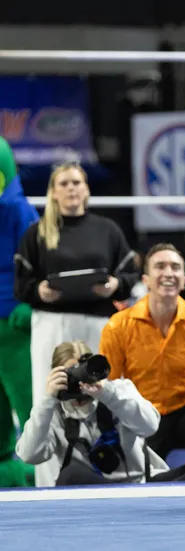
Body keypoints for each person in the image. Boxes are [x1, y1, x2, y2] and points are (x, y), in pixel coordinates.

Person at [14, 161, 140, 486]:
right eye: (64, 183)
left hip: (96, 323)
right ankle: (48, 481)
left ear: (86, 189)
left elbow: (131, 273)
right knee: (49, 395)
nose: (71, 189)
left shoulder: (107, 230)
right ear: (53, 192)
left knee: (100, 390)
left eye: (77, 183)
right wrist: (38, 290)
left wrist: (114, 286)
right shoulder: (38, 232)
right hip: (51, 323)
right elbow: (21, 283)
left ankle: (109, 472)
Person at [15, 341, 185, 485]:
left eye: (83, 372)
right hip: (93, 490)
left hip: (141, 485)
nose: (79, 383)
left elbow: (150, 426)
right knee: (69, 476)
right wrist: (48, 400)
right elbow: (28, 454)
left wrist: (107, 394)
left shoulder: (118, 391)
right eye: (71, 374)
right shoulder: (52, 412)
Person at [100, 244, 185, 468]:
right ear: (146, 280)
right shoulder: (118, 325)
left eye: (175, 267)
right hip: (141, 413)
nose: (168, 273)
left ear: (184, 279)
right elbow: (110, 381)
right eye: (160, 267)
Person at [0, 137, 39, 487]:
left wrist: (29, 304)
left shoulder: (19, 211)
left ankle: (37, 465)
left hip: (14, 326)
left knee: (27, 401)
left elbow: (39, 263)